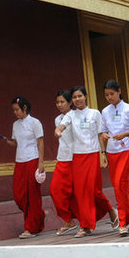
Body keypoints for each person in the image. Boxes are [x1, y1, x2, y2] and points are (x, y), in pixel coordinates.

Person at [55, 85, 118, 237]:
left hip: (92, 155)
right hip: (77, 156)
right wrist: (58, 130)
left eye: (79, 96)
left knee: (93, 190)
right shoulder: (70, 115)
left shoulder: (94, 113)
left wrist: (103, 152)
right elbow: (63, 125)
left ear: (85, 96)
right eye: (74, 97)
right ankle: (86, 226)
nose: (77, 100)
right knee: (81, 192)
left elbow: (100, 133)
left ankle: (110, 210)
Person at [1, 95, 45, 238]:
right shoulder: (15, 125)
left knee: (32, 195)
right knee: (19, 195)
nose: (15, 113)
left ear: (24, 108)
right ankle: (39, 214)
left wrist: (41, 163)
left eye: (17, 110)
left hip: (33, 159)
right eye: (13, 110)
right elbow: (16, 143)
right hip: (19, 161)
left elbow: (40, 143)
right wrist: (7, 141)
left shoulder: (35, 123)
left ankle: (30, 228)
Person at [100, 79, 129, 236]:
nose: (109, 97)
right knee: (123, 185)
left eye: (112, 94)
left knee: (119, 183)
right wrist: (104, 151)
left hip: (127, 148)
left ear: (119, 91)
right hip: (112, 150)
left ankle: (122, 222)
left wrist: (125, 134)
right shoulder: (105, 111)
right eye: (106, 95)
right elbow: (102, 133)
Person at [51, 90, 78, 235]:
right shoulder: (57, 119)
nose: (59, 105)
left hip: (76, 158)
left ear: (69, 103)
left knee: (78, 192)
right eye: (57, 102)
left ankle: (107, 212)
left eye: (62, 102)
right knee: (55, 189)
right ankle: (68, 220)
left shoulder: (75, 116)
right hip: (62, 158)